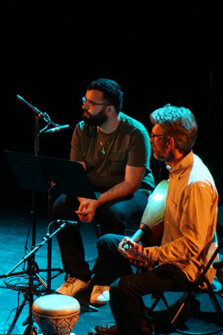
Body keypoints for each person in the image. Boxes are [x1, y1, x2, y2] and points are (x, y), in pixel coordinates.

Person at [88, 104, 219, 335]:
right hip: (170, 253)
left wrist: (151, 255)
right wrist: (138, 240)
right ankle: (139, 321)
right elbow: (165, 219)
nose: (150, 140)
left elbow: (192, 246)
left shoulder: (196, 183)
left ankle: (133, 329)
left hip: (188, 268)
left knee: (121, 288)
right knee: (108, 242)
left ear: (170, 143)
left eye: (155, 136)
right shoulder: (177, 169)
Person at [54, 78, 155, 303]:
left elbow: (131, 183)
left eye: (91, 103)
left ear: (109, 109)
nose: (84, 106)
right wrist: (84, 200)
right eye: (85, 100)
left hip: (133, 190)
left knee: (113, 212)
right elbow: (76, 172)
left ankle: (106, 278)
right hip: (92, 188)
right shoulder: (82, 129)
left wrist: (96, 203)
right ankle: (78, 275)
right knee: (61, 206)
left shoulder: (135, 132)